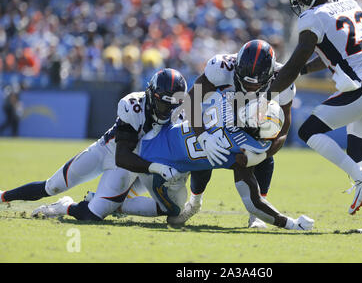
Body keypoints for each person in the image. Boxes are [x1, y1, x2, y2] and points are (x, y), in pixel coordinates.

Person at [32, 95, 314, 232]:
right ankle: (77, 205)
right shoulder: (246, 150)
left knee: (176, 195)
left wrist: (206, 134)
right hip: (145, 162)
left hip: (150, 142)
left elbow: (197, 104)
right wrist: (288, 223)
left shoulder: (227, 105)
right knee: (172, 212)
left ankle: (105, 201)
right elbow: (253, 202)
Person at [267, 0, 362, 234]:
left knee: (308, 130)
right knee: (358, 151)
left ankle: (360, 178)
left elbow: (293, 65)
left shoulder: (312, 17)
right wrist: (304, 68)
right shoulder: (352, 3)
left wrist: (264, 95)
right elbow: (334, 52)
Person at [0, 69, 188, 218]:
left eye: (174, 105)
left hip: (131, 167)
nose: (169, 111)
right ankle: (3, 196)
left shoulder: (183, 115)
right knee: (52, 186)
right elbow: (122, 156)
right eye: (164, 104)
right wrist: (157, 168)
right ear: (152, 95)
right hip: (109, 151)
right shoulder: (133, 104)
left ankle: (65, 207)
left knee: (93, 214)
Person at [173, 39, 296, 228]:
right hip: (218, 113)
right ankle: (195, 201)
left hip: (254, 121)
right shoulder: (221, 67)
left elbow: (283, 131)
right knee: (204, 155)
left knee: (264, 151)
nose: (249, 89)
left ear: (271, 76)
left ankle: (257, 213)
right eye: (245, 83)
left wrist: (262, 155)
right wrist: (203, 136)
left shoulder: (284, 80)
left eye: (256, 86)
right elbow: (191, 100)